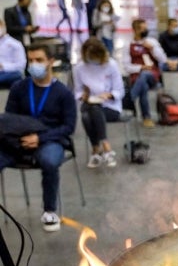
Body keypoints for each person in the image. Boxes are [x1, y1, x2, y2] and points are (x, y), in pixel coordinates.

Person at [2, 43, 77, 232]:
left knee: (50, 161)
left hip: (50, 139)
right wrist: (19, 137)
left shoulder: (64, 93)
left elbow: (68, 127)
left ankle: (50, 210)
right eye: (31, 60)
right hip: (18, 140)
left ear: (51, 61)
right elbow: (8, 119)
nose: (33, 64)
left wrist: (40, 138)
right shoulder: (19, 87)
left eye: (39, 60)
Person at [72, 38, 123, 168]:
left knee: (90, 113)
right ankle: (104, 149)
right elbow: (77, 92)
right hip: (89, 104)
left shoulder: (111, 65)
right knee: (88, 112)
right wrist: (83, 96)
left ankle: (98, 149)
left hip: (110, 107)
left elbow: (120, 90)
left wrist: (109, 95)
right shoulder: (79, 68)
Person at [123, 19, 167, 128]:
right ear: (135, 30)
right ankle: (146, 118)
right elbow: (127, 67)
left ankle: (129, 99)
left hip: (153, 76)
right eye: (142, 29)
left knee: (145, 74)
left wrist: (152, 49)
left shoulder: (152, 42)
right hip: (136, 77)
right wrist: (141, 67)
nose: (144, 31)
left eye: (145, 28)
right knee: (143, 85)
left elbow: (163, 59)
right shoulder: (128, 45)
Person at [0, 19, 25, 88]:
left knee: (17, 75)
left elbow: (21, 65)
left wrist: (3, 66)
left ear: (3, 26)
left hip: (10, 72)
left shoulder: (15, 44)